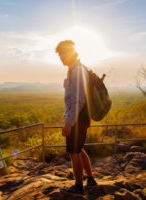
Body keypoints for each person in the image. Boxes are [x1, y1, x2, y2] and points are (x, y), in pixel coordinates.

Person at [55, 40, 98, 197]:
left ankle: (79, 186)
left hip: (78, 119)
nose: (61, 57)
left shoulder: (78, 71)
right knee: (79, 150)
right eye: (59, 54)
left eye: (63, 53)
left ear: (71, 52)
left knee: (74, 153)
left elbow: (78, 100)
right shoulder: (74, 70)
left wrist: (69, 123)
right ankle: (91, 180)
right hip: (80, 117)